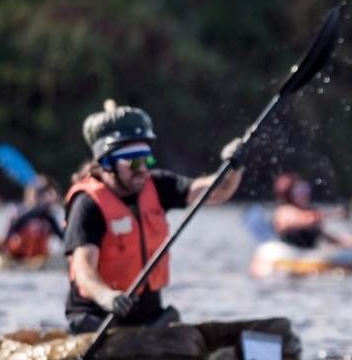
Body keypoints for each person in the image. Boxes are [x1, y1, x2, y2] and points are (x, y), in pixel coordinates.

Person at [63, 101, 244, 333]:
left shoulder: (157, 185)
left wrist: (234, 167)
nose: (143, 169)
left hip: (148, 319)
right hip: (98, 320)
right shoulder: (87, 204)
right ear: (107, 163)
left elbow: (218, 191)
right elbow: (83, 269)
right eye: (133, 161)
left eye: (147, 159)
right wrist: (106, 296)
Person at [271, 172, 352, 250]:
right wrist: (336, 213)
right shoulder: (284, 211)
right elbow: (305, 220)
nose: (304, 194)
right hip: (289, 252)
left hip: (308, 254)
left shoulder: (310, 210)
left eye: (306, 189)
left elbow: (321, 235)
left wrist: (344, 241)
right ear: (289, 193)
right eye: (299, 191)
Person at [0, 176, 63, 260]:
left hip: (38, 255)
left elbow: (60, 236)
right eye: (39, 193)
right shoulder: (18, 211)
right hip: (19, 253)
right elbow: (11, 231)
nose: (43, 198)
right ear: (30, 193)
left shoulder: (48, 216)